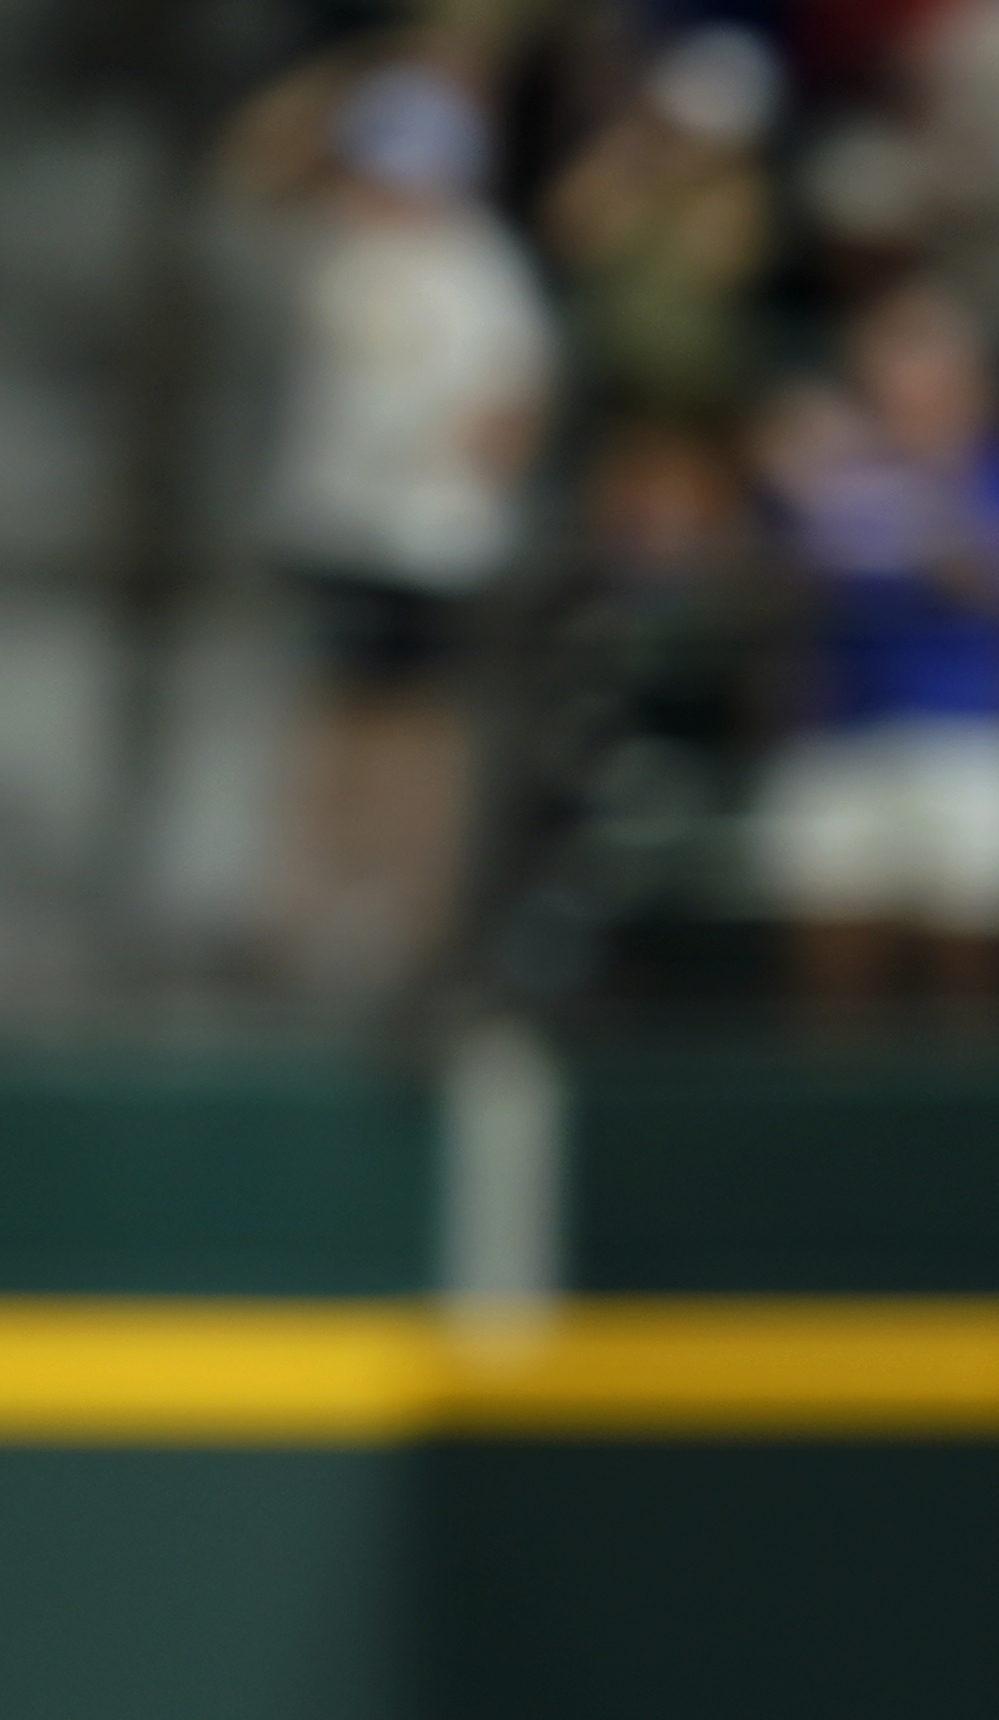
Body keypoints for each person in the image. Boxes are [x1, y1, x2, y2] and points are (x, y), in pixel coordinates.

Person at [244, 58, 557, 1008]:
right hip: (336, 530)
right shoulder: (336, 246)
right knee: (333, 725)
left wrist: (472, 466)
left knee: (414, 733)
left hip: (432, 539)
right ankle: (307, 923)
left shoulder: (479, 264)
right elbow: (256, 165)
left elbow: (518, 395)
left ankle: (407, 928)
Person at [751, 285, 999, 1007]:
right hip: (846, 734)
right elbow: (784, 590)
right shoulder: (831, 471)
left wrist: (924, 485)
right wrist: (801, 484)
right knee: (832, 958)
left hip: (976, 738)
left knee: (972, 968)